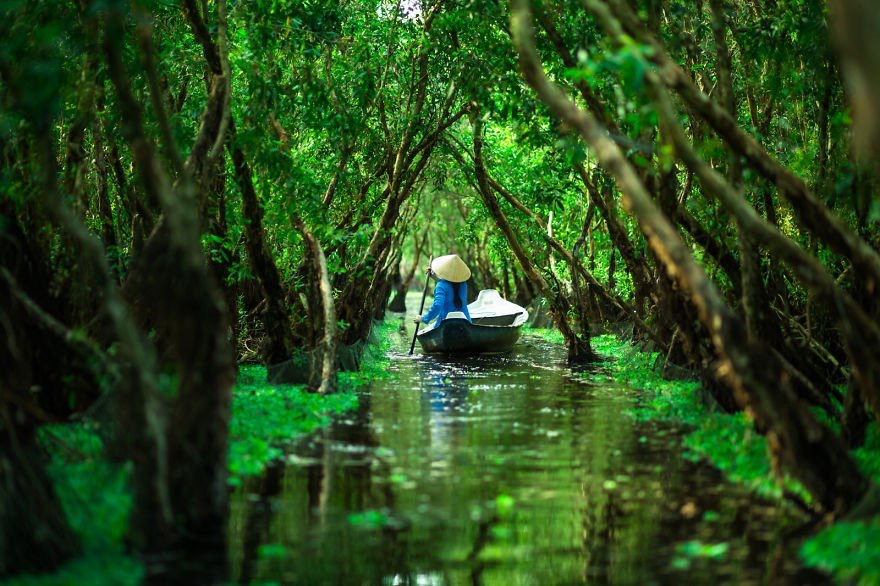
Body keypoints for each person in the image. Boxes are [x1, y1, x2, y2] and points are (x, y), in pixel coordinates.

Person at [414, 254, 472, 327]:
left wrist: (424, 318)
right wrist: (435, 278)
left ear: (445, 270)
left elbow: (438, 305)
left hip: (446, 325)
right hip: (466, 323)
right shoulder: (463, 284)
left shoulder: (441, 285)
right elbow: (451, 286)